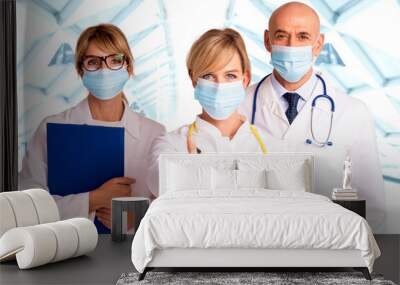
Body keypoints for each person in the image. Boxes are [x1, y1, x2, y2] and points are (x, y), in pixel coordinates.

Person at [239, 2, 385, 232]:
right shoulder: (237, 106)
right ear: (267, 40)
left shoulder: (353, 111)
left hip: (328, 245)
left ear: (318, 45)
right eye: (281, 36)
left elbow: (373, 207)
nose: (291, 45)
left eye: (302, 36)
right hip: (254, 239)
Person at [19, 24, 166, 229]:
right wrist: (93, 199)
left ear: (128, 67)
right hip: (66, 249)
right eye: (93, 62)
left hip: (130, 253)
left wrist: (139, 218)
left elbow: (168, 204)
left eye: (115, 60)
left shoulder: (154, 133)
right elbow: (27, 205)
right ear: (81, 70)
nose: (105, 70)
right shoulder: (52, 128)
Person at [147, 28, 283, 197]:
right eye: (209, 76)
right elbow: (157, 184)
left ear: (245, 79)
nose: (219, 86)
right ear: (194, 80)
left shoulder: (271, 146)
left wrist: (193, 175)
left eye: (230, 76)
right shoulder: (171, 144)